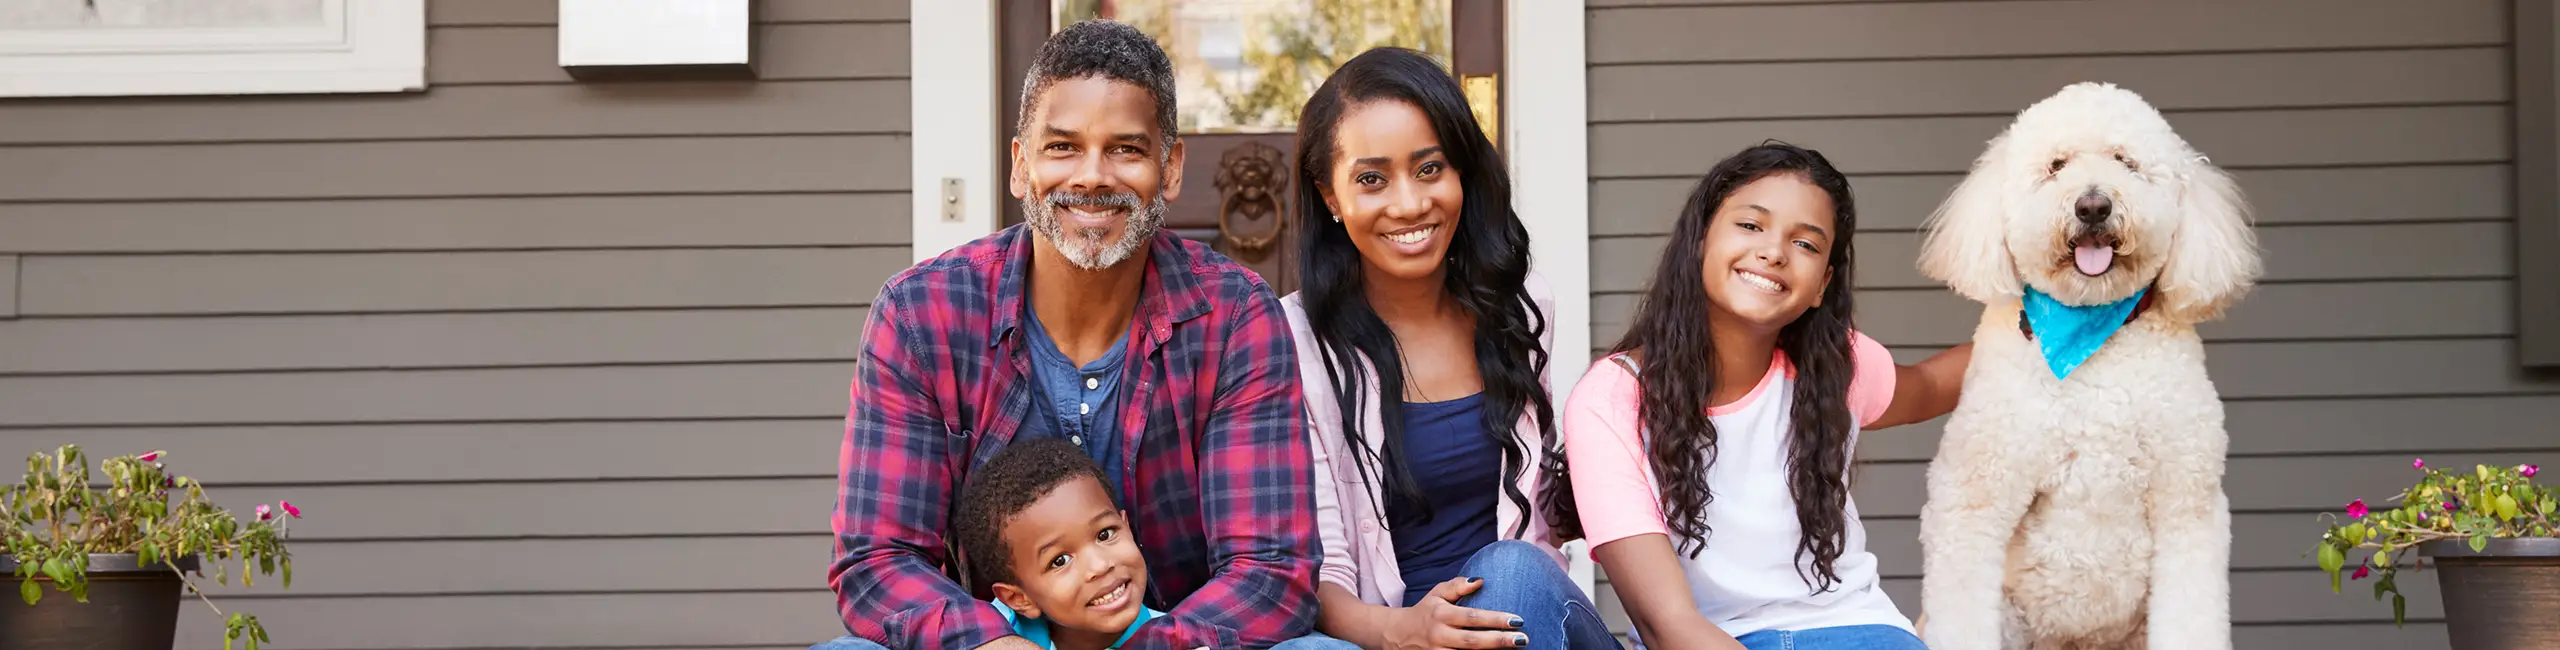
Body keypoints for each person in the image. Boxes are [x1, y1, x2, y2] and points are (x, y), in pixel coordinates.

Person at [818, 20, 1344, 650]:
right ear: (1020, 165)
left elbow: (1271, 571)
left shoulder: (1234, 316)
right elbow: (879, 559)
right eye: (1063, 147)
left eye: (1125, 148)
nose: (1092, 175)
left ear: (1170, 168)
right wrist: (989, 643)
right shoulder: (921, 315)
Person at [1560, 143, 1974, 650]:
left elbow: (1928, 386)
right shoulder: (1612, 398)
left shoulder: (1833, 365)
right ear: (1700, 240)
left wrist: (2047, 327)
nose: (1774, 252)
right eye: (1751, 226)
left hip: (1852, 631)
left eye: (1805, 244)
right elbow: (1667, 625)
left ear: (1822, 284)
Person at [1280, 47, 1616, 650]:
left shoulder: (1520, 308)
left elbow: (1540, 513)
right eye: (1371, 179)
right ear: (1330, 196)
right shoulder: (1294, 341)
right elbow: (1317, 566)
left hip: (1519, 621)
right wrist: (1403, 629)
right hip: (1388, 632)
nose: (1409, 203)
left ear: (1462, 169)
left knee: (1508, 573)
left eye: (1430, 168)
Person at [952, 438, 1163, 650]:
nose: (1099, 566)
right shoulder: (990, 637)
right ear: (1019, 598)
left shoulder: (1174, 638)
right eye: (1060, 560)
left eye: (1105, 534)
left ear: (1127, 528)